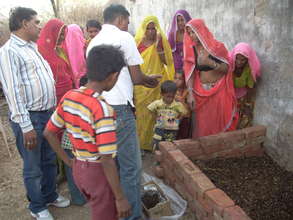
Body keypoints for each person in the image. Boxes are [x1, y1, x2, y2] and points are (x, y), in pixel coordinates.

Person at [86, 4, 160, 220]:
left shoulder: (93, 42)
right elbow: (137, 77)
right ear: (120, 19)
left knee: (110, 161)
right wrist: (151, 80)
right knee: (131, 167)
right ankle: (132, 216)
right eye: (127, 21)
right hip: (119, 108)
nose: (128, 26)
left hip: (98, 106)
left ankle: (116, 210)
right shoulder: (124, 37)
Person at [44, 45, 131, 220]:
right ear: (113, 76)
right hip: (98, 173)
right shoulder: (102, 109)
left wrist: (69, 161)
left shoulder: (70, 96)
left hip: (79, 171)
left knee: (97, 207)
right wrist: (120, 198)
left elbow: (48, 132)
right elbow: (106, 159)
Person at [0, 7, 69, 220]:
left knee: (48, 159)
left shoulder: (32, 47)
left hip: (46, 114)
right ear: (23, 23)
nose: (39, 26)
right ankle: (37, 207)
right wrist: (26, 126)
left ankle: (49, 195)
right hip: (30, 117)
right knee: (33, 166)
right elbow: (13, 91)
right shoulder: (9, 51)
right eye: (36, 22)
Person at [183, 19, 238, 138]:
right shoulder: (191, 51)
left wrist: (210, 63)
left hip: (219, 91)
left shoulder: (217, 47)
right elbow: (190, 73)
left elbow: (226, 69)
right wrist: (191, 93)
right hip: (200, 93)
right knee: (204, 124)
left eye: (194, 32)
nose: (192, 35)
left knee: (218, 121)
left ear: (201, 30)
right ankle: (205, 153)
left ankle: (220, 151)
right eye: (189, 32)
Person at [134, 15, 175, 151]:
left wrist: (158, 47)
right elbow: (133, 64)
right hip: (141, 85)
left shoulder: (161, 41)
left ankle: (155, 144)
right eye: (148, 28)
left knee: (156, 114)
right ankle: (142, 144)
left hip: (156, 83)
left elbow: (167, 62)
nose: (151, 31)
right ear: (143, 29)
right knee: (142, 114)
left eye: (153, 28)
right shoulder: (137, 42)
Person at [37, 19, 74, 104]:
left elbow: (68, 71)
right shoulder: (40, 51)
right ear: (51, 32)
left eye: (64, 34)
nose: (63, 37)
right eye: (60, 34)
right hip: (52, 99)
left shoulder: (60, 50)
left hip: (67, 94)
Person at [148, 80, 187, 150]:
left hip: (172, 130)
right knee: (157, 144)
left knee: (169, 146)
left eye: (172, 97)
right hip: (159, 128)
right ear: (162, 94)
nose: (170, 99)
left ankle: (166, 160)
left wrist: (178, 121)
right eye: (168, 96)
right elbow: (150, 109)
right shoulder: (157, 104)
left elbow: (184, 113)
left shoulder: (177, 105)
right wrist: (156, 117)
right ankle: (158, 160)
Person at [230, 42, 261, 129]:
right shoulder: (229, 66)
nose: (239, 62)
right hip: (228, 96)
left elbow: (250, 88)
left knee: (242, 120)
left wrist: (247, 105)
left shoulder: (248, 70)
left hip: (241, 97)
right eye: (237, 58)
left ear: (247, 59)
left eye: (243, 60)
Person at [174, 72, 191, 139]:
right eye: (175, 78)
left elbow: (189, 107)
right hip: (174, 118)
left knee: (183, 136)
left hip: (185, 118)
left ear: (185, 80)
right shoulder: (172, 90)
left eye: (180, 79)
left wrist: (181, 100)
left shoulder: (187, 92)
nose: (177, 81)